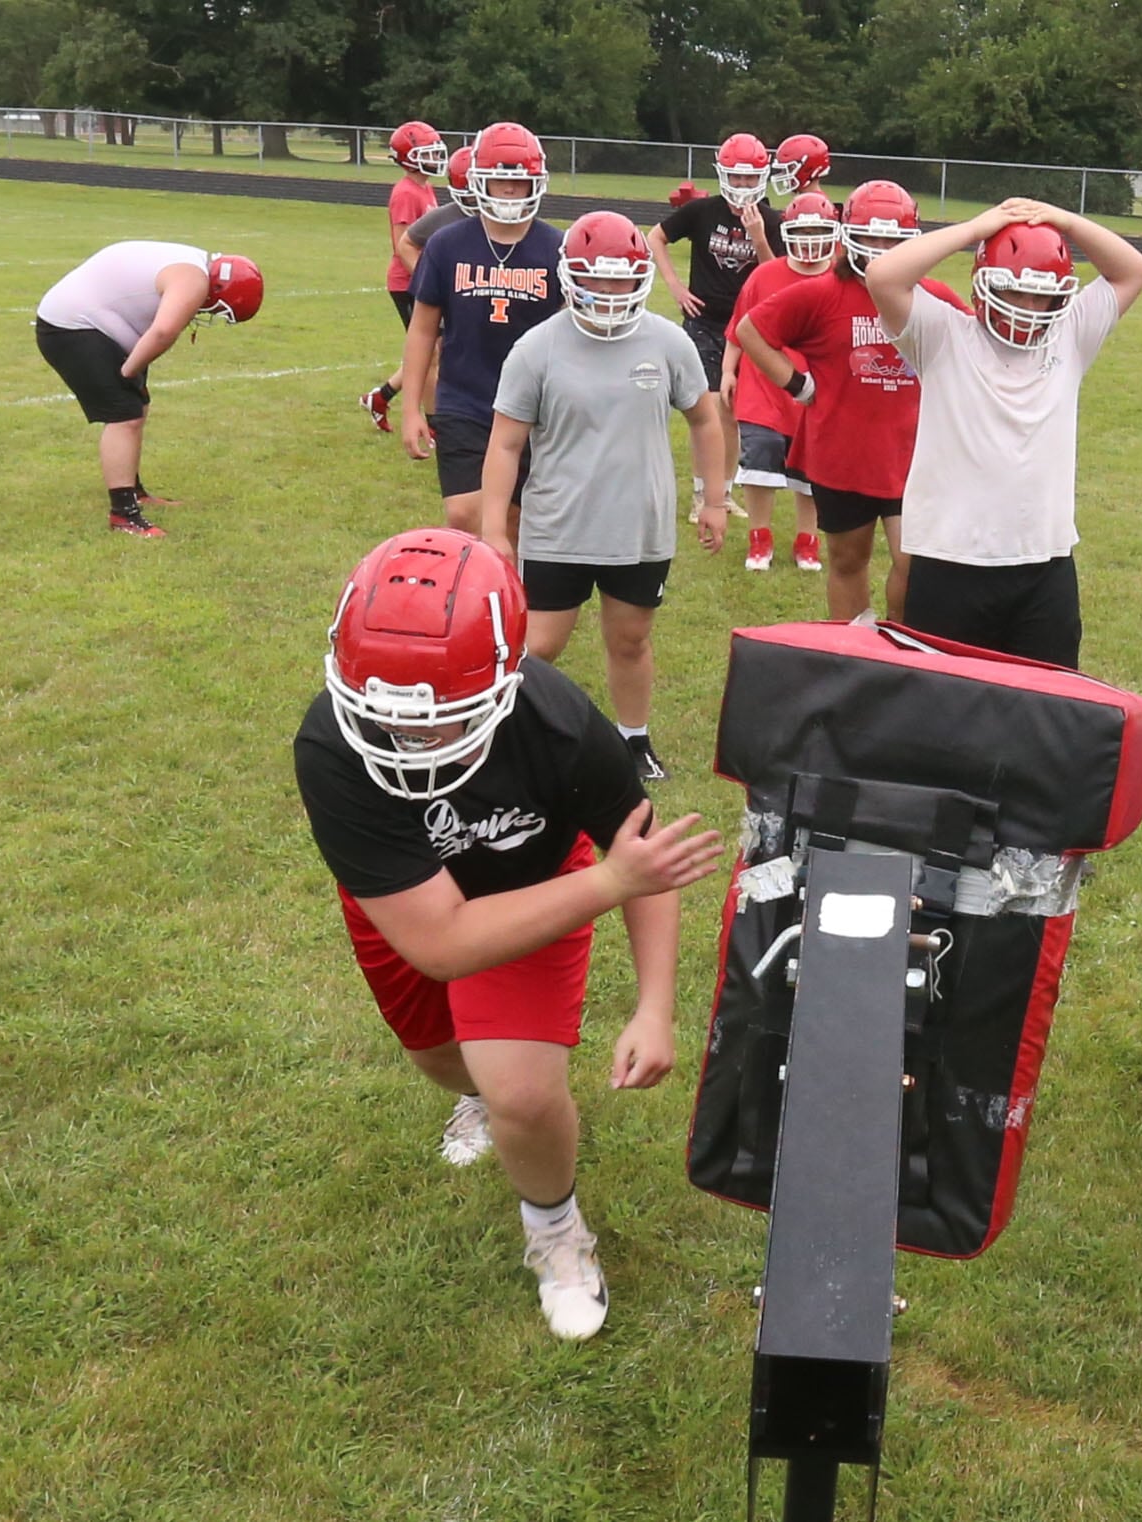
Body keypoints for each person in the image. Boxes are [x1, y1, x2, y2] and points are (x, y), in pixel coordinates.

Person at [293, 528, 727, 1338]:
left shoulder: (556, 721)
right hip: (412, 907)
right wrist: (612, 881)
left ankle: (557, 1232)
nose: (411, 740)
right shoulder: (330, 747)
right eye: (385, 718)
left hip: (537, 884)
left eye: (438, 720)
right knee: (438, 1058)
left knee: (523, 1092)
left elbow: (640, 858)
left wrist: (654, 1005)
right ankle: (474, 1099)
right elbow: (441, 941)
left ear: (503, 682)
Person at [480, 212, 731, 785]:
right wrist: (495, 526)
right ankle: (500, 733)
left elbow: (704, 419)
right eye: (596, 278)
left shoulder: (666, 341)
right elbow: (505, 443)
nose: (610, 291)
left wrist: (711, 498)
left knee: (630, 638)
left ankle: (632, 738)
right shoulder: (537, 348)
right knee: (537, 644)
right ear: (570, 275)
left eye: (621, 279)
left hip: (638, 527)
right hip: (558, 525)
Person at [863, 198, 1142, 669]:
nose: (1030, 309)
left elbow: (1133, 270)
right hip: (949, 559)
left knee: (1046, 708)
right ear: (983, 286)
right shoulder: (941, 336)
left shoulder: (1070, 335)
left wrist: (1064, 221)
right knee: (947, 707)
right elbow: (883, 275)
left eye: (1043, 296)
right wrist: (976, 228)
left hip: (1045, 560)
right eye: (1015, 293)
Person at [733, 180, 970, 622]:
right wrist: (798, 385)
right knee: (846, 559)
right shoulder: (823, 293)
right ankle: (854, 651)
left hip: (913, 456)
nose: (880, 249)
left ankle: (901, 643)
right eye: (871, 238)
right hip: (842, 455)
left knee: (913, 564)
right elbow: (752, 330)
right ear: (848, 237)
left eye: (892, 240)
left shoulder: (932, 297)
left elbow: (978, 347)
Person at [399, 122, 565, 535]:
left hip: (533, 405)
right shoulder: (447, 244)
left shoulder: (557, 248)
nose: (508, 191)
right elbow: (422, 331)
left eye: (518, 182)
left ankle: (502, 595)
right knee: (463, 514)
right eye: (498, 181)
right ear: (478, 182)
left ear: (536, 183)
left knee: (512, 516)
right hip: (464, 399)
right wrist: (410, 408)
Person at [34, 242, 263, 537]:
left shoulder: (192, 260)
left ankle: (133, 491)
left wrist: (132, 374)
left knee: (136, 408)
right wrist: (128, 371)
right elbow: (163, 332)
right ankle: (123, 515)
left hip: (88, 320)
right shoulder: (194, 279)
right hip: (71, 326)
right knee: (124, 416)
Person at [649, 132, 782, 517]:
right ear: (723, 175)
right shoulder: (703, 211)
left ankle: (722, 492)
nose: (742, 185)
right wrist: (675, 286)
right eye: (736, 177)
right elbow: (655, 238)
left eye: (749, 178)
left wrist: (758, 236)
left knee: (731, 411)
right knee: (706, 407)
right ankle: (699, 494)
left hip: (748, 329)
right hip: (705, 321)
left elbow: (775, 276)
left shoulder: (772, 220)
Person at [721, 191, 840, 572]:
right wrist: (728, 370)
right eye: (801, 230)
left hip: (819, 391)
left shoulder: (842, 275)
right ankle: (760, 536)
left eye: (817, 231)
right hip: (763, 387)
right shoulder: (765, 275)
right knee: (761, 458)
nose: (808, 240)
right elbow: (740, 326)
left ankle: (808, 539)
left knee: (811, 472)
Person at [357, 120, 444, 433]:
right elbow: (401, 244)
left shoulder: (425, 186)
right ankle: (434, 425)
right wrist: (431, 280)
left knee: (435, 352)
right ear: (410, 156)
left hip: (422, 276)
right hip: (408, 281)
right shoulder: (406, 192)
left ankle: (380, 398)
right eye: (428, 152)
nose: (435, 158)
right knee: (431, 355)